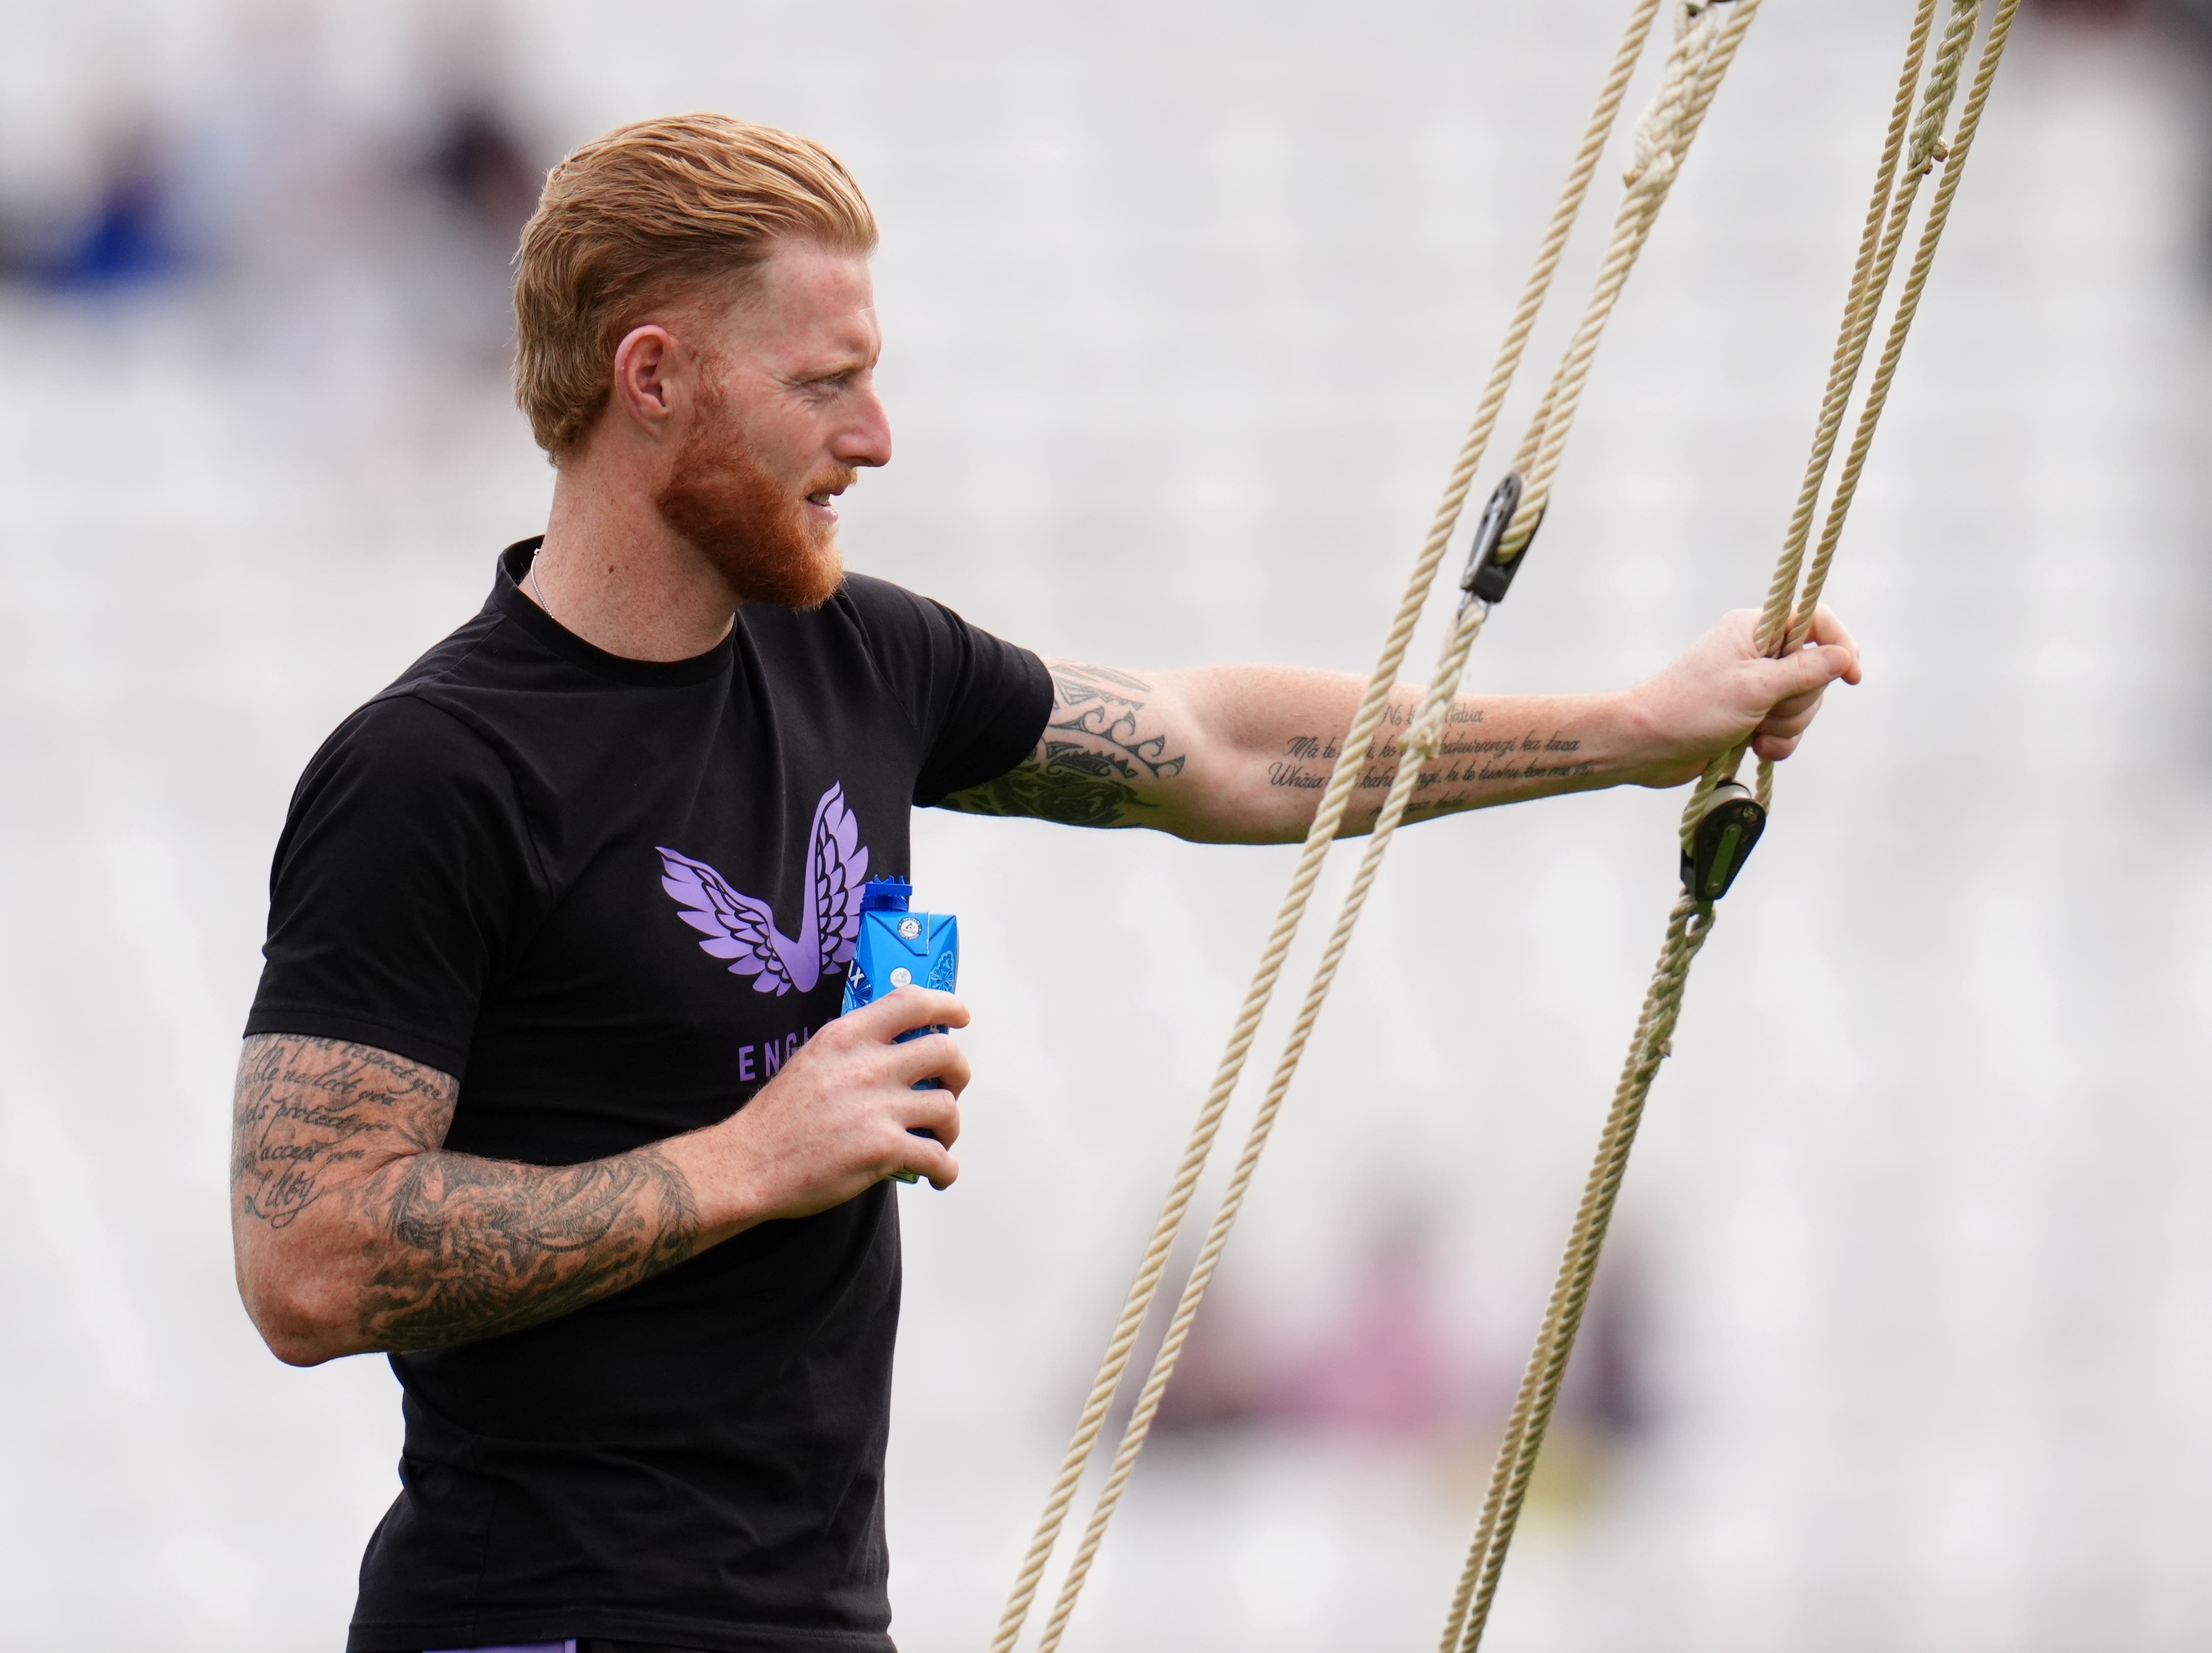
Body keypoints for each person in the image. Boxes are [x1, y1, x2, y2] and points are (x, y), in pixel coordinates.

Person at [230, 113, 1860, 1653]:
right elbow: (306, 1258)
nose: (872, 437)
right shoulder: (435, 771)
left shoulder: (855, 653)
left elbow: (1212, 749)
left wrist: (1632, 728)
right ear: (652, 377)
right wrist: (749, 1158)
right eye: (827, 384)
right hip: (533, 1618)